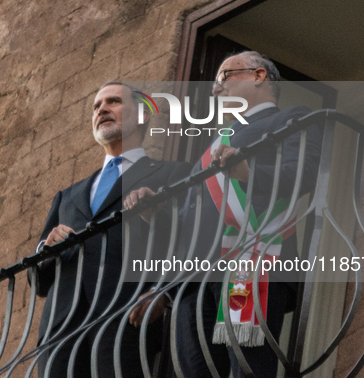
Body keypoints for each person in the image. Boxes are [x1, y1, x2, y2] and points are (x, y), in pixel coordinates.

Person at [124, 51, 324, 377]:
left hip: (251, 268)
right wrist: (154, 215)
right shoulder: (211, 148)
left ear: (259, 76)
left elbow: (302, 174)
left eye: (223, 78)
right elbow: (191, 227)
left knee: (249, 371)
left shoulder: (290, 118)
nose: (215, 89)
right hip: (194, 285)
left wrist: (247, 173)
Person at [34, 82, 191, 378]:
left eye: (114, 102)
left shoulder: (173, 175)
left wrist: (164, 292)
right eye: (96, 106)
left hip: (127, 320)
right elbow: (39, 282)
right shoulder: (67, 196)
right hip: (61, 331)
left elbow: (191, 239)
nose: (101, 109)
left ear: (142, 117)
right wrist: (47, 250)